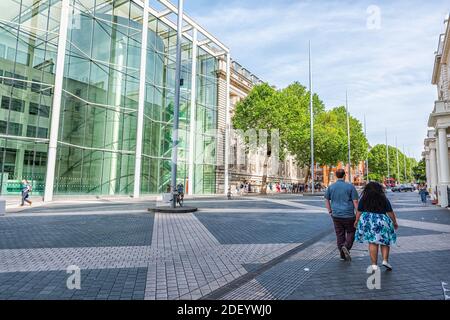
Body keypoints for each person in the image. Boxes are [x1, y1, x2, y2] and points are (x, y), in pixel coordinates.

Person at [354, 182, 398, 271]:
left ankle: (374, 264)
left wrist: (356, 220)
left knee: (372, 242)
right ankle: (385, 260)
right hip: (382, 219)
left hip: (368, 220)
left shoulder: (364, 198)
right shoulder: (383, 198)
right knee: (385, 241)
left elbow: (359, 210)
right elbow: (390, 211)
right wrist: (394, 222)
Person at [324, 169, 359, 261]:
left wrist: (330, 211)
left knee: (339, 234)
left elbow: (326, 200)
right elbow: (355, 201)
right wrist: (358, 214)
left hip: (336, 215)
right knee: (351, 232)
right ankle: (346, 246)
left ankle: (342, 254)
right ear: (344, 176)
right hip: (349, 215)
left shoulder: (331, 187)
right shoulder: (350, 187)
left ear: (336, 176)